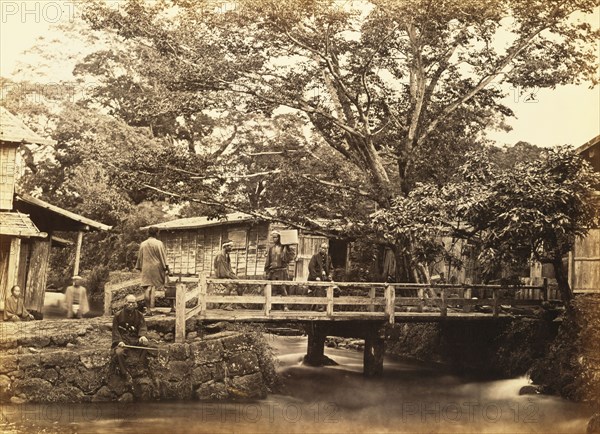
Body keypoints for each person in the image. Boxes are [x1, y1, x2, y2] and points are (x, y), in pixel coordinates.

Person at [112, 294, 149, 381]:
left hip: (135, 338)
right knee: (119, 353)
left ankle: (140, 366)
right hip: (123, 339)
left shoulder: (139, 315)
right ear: (125, 303)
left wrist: (142, 336)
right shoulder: (118, 315)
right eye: (129, 302)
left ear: (136, 304)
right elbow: (115, 331)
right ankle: (124, 373)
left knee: (145, 345)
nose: (131, 305)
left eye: (133, 303)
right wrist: (119, 341)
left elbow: (142, 326)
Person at [136, 226, 169, 315]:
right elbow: (163, 256)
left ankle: (148, 310)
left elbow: (140, 257)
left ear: (148, 233)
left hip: (146, 267)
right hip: (156, 267)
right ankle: (173, 306)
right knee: (167, 283)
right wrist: (166, 268)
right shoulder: (159, 243)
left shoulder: (143, 244)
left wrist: (139, 267)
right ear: (157, 233)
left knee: (147, 288)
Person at [264, 231, 296, 311]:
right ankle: (271, 306)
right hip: (273, 271)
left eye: (276, 237)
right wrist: (266, 270)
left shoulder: (284, 248)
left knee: (283, 288)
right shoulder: (271, 248)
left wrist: (287, 247)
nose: (274, 239)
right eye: (273, 237)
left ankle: (285, 306)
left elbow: (290, 256)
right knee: (272, 289)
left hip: (282, 271)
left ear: (279, 238)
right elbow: (268, 260)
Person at [213, 240, 241, 311]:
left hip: (226, 275)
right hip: (220, 276)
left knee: (240, 283)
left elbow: (229, 268)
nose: (232, 248)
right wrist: (231, 277)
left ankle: (240, 302)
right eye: (230, 246)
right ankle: (224, 305)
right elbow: (222, 271)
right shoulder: (220, 255)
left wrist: (234, 276)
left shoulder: (227, 255)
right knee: (230, 285)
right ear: (225, 246)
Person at [308, 242, 333, 312]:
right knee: (319, 288)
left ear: (327, 249)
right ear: (319, 248)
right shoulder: (315, 257)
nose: (323, 249)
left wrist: (330, 275)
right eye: (322, 248)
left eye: (325, 248)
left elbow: (331, 269)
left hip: (325, 278)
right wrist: (315, 277)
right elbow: (311, 267)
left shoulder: (328, 258)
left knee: (336, 289)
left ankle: (329, 307)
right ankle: (320, 307)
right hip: (315, 279)